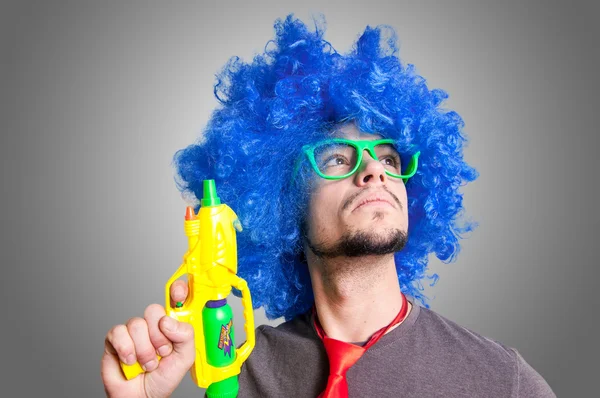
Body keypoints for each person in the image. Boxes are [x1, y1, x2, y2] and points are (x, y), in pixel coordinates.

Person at [101, 14, 555, 397]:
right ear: (284, 199)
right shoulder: (237, 375)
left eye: (389, 158)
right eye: (338, 157)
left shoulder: (501, 382)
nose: (374, 171)